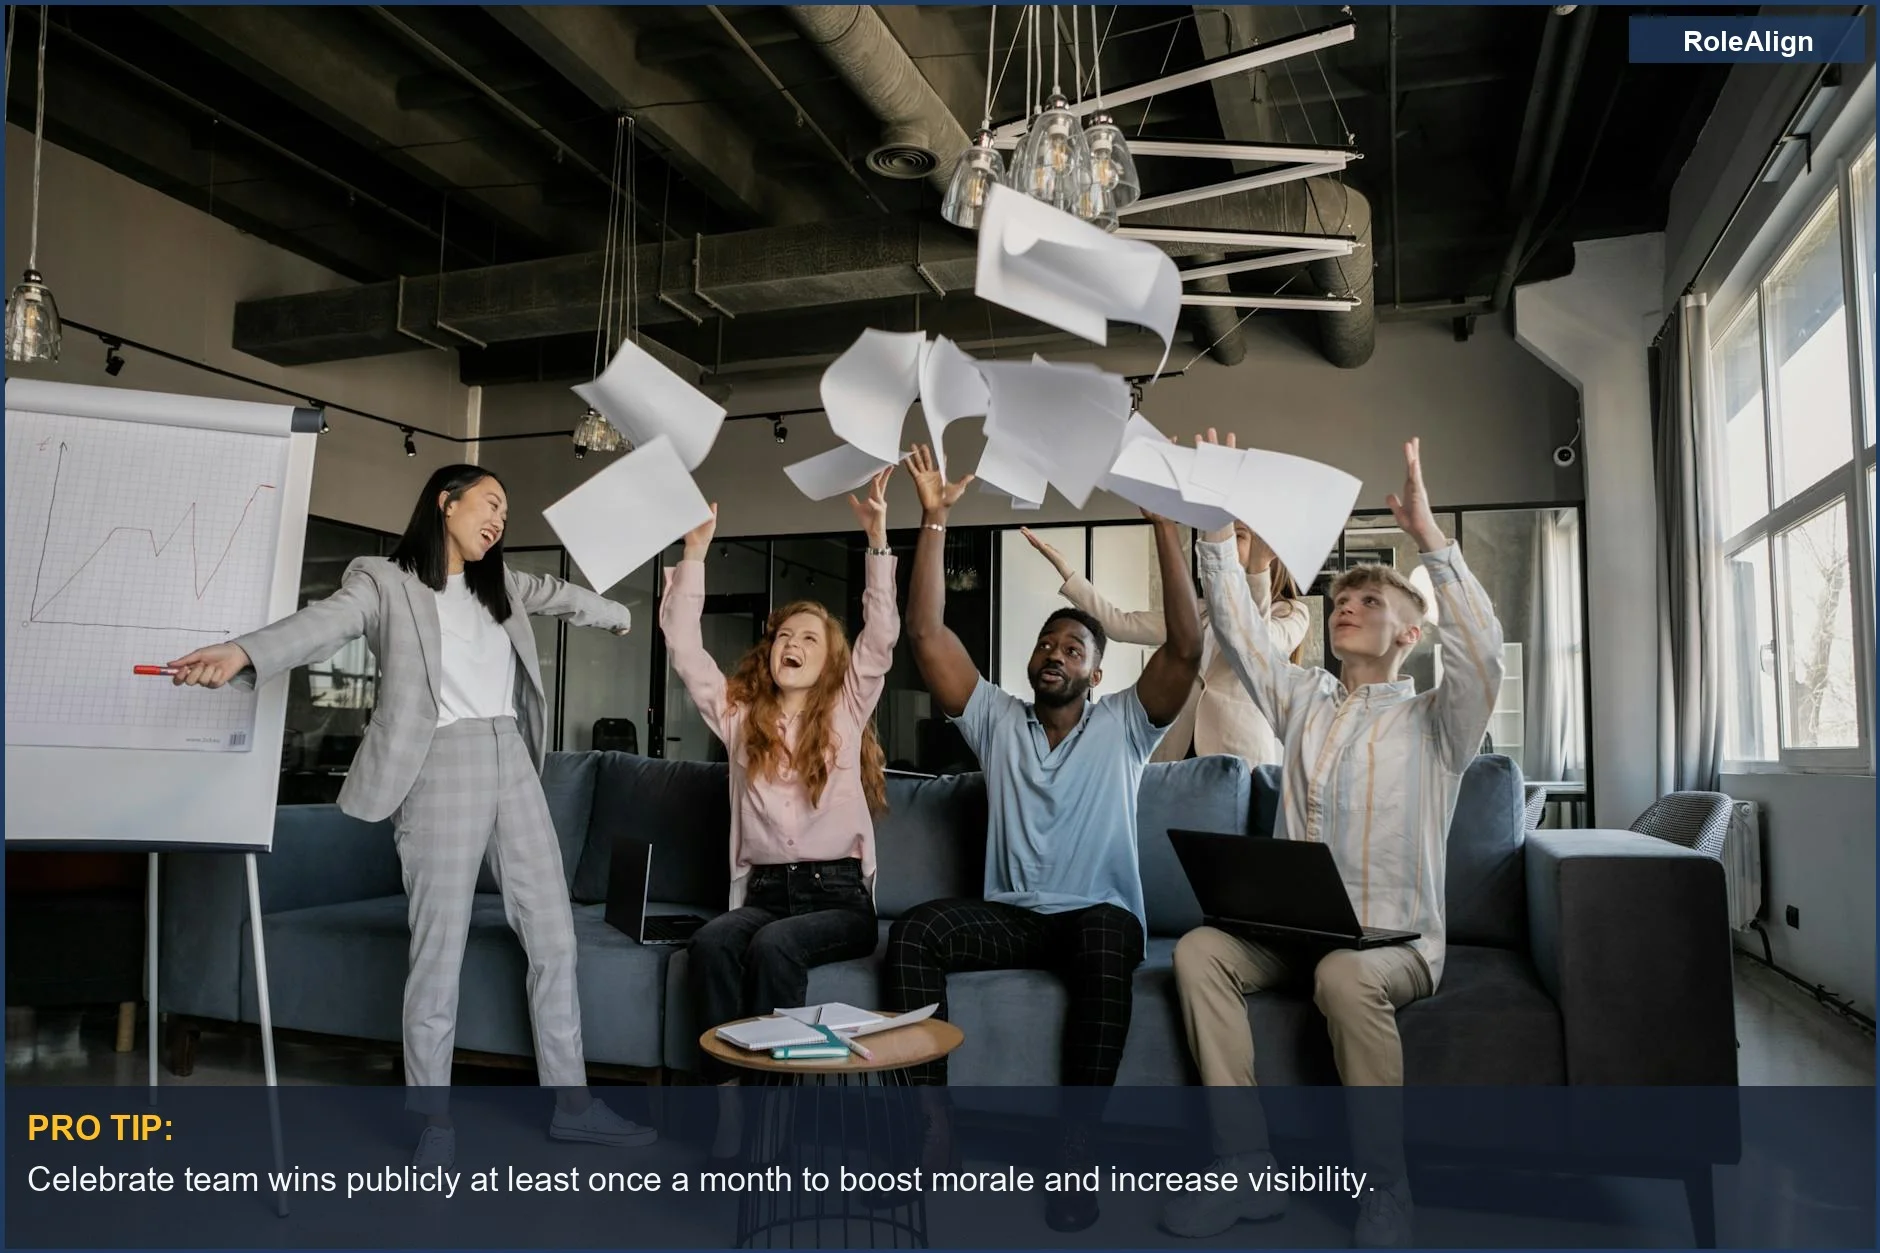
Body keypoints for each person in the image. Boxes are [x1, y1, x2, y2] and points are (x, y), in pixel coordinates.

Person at [167, 464, 657, 1168]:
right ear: (444, 502)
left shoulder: (503, 586)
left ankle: (574, 1106)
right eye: (489, 502)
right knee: (439, 950)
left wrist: (625, 614)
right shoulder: (383, 581)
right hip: (440, 766)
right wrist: (243, 651)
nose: (498, 518)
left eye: (506, 510)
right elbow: (320, 626)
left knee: (554, 940)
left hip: (512, 762)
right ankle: (433, 1119)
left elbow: (561, 594)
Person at [1164, 436, 1504, 1249]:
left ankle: (1387, 1189)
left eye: (1370, 603)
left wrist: (1430, 539)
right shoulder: (1305, 699)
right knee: (1199, 950)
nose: (1346, 606)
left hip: (1391, 943)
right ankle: (1245, 1167)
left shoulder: (1438, 721)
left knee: (1348, 976)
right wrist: (1213, 524)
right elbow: (1242, 636)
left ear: (1409, 636)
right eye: (1341, 599)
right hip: (1294, 934)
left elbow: (1484, 656)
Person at [886, 444, 1203, 1233]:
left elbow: (1187, 650)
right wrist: (933, 518)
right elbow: (925, 633)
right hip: (1017, 917)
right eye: (1046, 645)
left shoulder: (1125, 725)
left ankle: (1075, 1148)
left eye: (1073, 649)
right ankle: (932, 1125)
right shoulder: (996, 719)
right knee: (917, 930)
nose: (1054, 654)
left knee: (1106, 933)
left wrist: (1166, 528)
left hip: (1097, 916)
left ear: (1097, 675)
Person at [660, 467, 899, 1156]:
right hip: (764, 893)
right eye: (783, 636)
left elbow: (880, 638)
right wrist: (696, 552)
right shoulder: (738, 718)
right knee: (709, 942)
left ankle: (775, 1116)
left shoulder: (848, 712)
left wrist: (878, 537)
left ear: (829, 663)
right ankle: (728, 1100)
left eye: (809, 639)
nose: (791, 644)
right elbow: (684, 649)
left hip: (838, 898)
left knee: (773, 946)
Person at [1020, 521, 1310, 765]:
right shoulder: (1199, 610)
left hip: (1236, 751)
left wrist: (1258, 571)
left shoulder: (1290, 612)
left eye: (1239, 537)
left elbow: (1252, 647)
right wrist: (1067, 571)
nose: (1227, 543)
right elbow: (1120, 624)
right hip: (1177, 747)